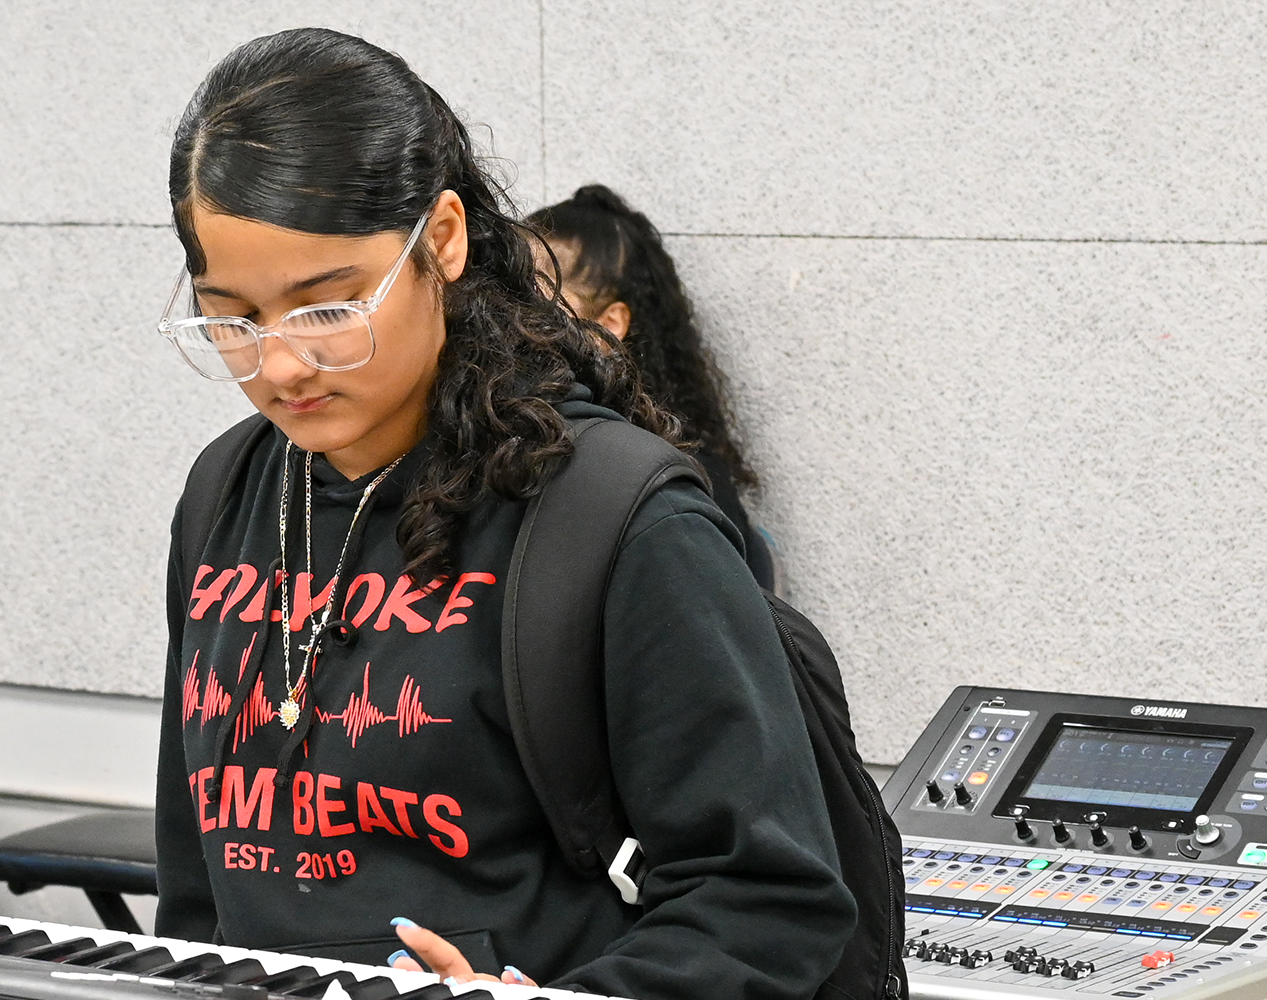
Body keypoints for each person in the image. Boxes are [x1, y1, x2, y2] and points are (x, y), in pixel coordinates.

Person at [153, 29, 853, 999]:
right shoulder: (225, 491)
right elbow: (195, 894)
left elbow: (770, 901)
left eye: (326, 308)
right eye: (230, 317)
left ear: (441, 240)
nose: (277, 365)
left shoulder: (616, 515)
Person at [529, 184, 774, 590]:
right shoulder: (494, 437)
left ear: (607, 327)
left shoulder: (671, 476)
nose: (504, 314)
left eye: (536, 297)